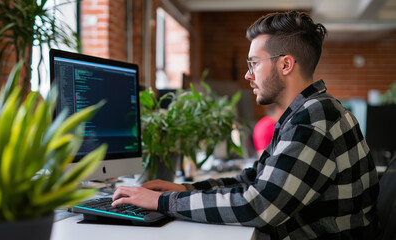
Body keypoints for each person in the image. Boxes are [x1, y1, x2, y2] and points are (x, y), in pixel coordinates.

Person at [112, 11, 379, 239]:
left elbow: (259, 206)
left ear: (285, 64)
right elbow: (252, 179)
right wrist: (185, 189)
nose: (247, 75)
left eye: (253, 63)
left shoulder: (313, 119)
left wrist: (161, 202)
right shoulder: (308, 111)